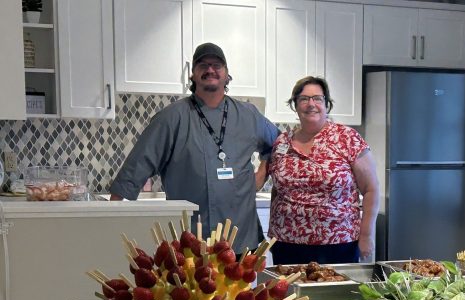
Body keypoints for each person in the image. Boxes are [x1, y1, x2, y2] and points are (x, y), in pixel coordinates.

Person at [109, 43, 279, 255]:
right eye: (203, 65)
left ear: (227, 75)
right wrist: (112, 220)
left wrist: (261, 174)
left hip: (241, 238)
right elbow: (138, 164)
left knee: (239, 289)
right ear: (193, 75)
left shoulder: (249, 115)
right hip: (191, 242)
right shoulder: (171, 118)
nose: (210, 70)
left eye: (217, 65)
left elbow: (279, 145)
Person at [256, 76, 379, 265]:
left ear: (326, 104)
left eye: (317, 98)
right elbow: (277, 190)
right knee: (290, 294)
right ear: (295, 105)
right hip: (287, 243)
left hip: (338, 242)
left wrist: (366, 235)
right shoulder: (282, 142)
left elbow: (371, 189)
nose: (310, 104)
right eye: (304, 99)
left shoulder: (347, 138)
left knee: (333, 294)